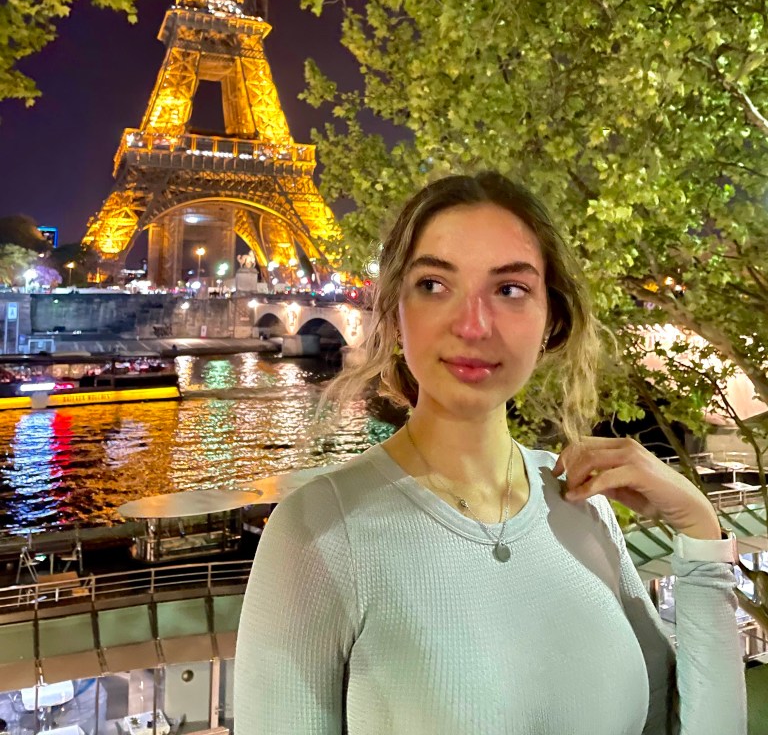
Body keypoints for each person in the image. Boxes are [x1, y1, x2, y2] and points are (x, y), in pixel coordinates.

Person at [234, 172, 746, 735]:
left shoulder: (584, 507)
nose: (473, 325)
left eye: (509, 289)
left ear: (550, 319)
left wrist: (698, 528)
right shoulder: (316, 535)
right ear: (396, 311)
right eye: (433, 284)